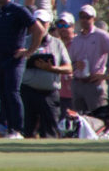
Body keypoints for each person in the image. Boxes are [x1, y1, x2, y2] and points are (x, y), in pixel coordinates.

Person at [0, 0, 44, 140]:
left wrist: (29, 51)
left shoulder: (19, 10)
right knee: (3, 94)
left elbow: (38, 30)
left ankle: (17, 130)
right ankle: (6, 127)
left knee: (13, 93)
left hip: (14, 59)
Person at [19, 9, 72, 138]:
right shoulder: (23, 41)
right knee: (27, 131)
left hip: (49, 93)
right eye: (36, 22)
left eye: (43, 23)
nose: (40, 26)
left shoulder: (57, 43)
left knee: (49, 132)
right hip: (28, 91)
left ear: (49, 24)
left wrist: (52, 68)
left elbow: (68, 68)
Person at [68, 4, 109, 112]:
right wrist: (76, 65)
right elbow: (70, 62)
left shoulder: (101, 35)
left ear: (94, 19)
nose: (84, 20)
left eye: (88, 17)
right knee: (80, 122)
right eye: (82, 17)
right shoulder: (76, 39)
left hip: (94, 85)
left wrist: (107, 74)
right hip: (78, 83)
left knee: (98, 119)